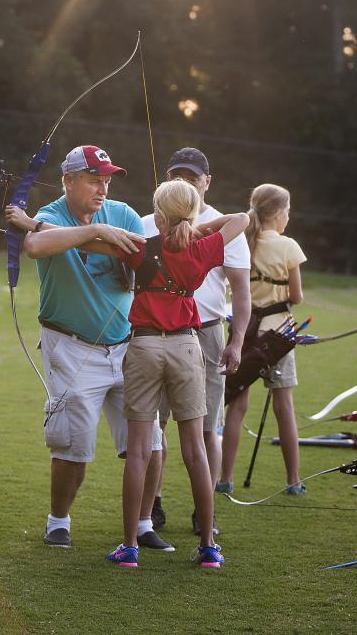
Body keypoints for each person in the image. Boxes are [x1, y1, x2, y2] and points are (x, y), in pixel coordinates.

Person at [5, 145, 167, 551]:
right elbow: (37, 246)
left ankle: (144, 524)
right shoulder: (49, 218)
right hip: (71, 347)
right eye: (94, 179)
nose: (103, 188)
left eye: (107, 180)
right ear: (69, 180)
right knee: (73, 443)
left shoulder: (124, 213)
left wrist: (105, 236)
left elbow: (144, 257)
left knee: (151, 444)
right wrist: (95, 232)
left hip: (128, 346)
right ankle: (58, 521)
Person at [103, 179, 249, 568]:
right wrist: (199, 227)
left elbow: (93, 243)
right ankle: (207, 548)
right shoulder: (203, 250)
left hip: (145, 345)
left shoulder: (142, 247)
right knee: (195, 450)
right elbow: (241, 218)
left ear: (159, 216)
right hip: (187, 346)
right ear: (196, 211)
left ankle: (130, 547)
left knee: (138, 451)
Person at [142, 147, 251, 533]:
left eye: (192, 177)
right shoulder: (148, 223)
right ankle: (150, 508)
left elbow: (240, 291)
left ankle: (203, 516)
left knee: (207, 429)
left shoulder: (221, 230)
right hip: (154, 334)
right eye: (177, 176)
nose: (185, 183)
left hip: (205, 333)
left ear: (207, 181)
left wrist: (236, 342)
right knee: (155, 428)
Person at [218, 182, 307, 494]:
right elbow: (296, 296)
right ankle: (293, 480)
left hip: (244, 333)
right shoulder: (288, 246)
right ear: (280, 213)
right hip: (278, 336)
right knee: (284, 407)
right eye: (288, 211)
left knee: (236, 404)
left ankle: (225, 478)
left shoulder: (242, 241)